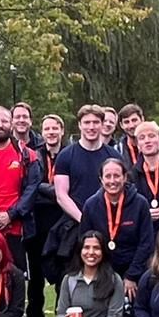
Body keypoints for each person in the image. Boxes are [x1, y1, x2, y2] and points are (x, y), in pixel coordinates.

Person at [79, 158, 155, 305]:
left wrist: (131, 276)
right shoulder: (91, 205)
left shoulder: (140, 203)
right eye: (108, 176)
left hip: (134, 268)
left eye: (117, 176)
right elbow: (84, 242)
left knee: (132, 311)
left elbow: (146, 243)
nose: (112, 181)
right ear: (101, 179)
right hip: (103, 268)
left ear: (125, 177)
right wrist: (101, 274)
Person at [50, 105, 112, 275]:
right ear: (79, 125)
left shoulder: (113, 157)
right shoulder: (65, 156)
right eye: (87, 122)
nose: (91, 127)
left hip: (107, 226)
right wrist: (84, 219)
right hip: (74, 227)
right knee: (71, 277)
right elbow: (61, 195)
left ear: (102, 124)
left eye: (95, 122)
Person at [0, 104, 40, 267]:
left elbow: (32, 189)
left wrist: (11, 215)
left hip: (16, 227)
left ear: (11, 124)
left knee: (15, 275)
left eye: (4, 121)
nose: (0, 125)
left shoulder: (27, 155)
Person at [25, 112, 65, 317]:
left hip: (62, 223)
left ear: (62, 131)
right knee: (36, 279)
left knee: (62, 277)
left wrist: (49, 191)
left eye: (55, 128)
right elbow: (31, 185)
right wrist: (58, 192)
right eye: (47, 128)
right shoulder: (34, 155)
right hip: (37, 222)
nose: (51, 132)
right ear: (42, 132)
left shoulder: (68, 154)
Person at [115, 103, 145, 168]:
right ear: (121, 125)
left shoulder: (156, 146)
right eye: (126, 122)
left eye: (134, 120)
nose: (131, 126)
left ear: (142, 119)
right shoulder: (117, 151)